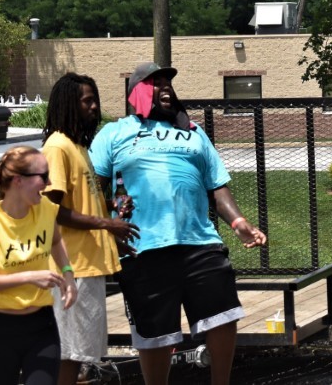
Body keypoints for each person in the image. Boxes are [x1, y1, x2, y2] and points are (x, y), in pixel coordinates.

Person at [90, 62, 267, 385]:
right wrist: (107, 218)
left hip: (199, 241)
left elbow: (217, 184)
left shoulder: (193, 132)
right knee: (156, 331)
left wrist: (239, 221)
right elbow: (92, 186)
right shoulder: (114, 133)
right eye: (155, 84)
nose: (166, 89)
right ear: (136, 94)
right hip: (143, 246)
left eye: (168, 84)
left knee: (223, 315)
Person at [42, 73, 139, 385]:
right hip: (70, 267)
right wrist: (106, 222)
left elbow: (81, 203)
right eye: (88, 101)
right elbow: (51, 209)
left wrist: (111, 210)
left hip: (88, 265)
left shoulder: (79, 147)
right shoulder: (57, 146)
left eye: (95, 100)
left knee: (79, 353)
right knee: (68, 353)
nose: (95, 107)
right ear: (70, 103)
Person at [0, 146, 78, 385]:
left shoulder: (45, 210)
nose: (48, 183)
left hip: (42, 327)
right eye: (43, 176)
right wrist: (28, 276)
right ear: (18, 180)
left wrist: (68, 275)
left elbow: (56, 241)